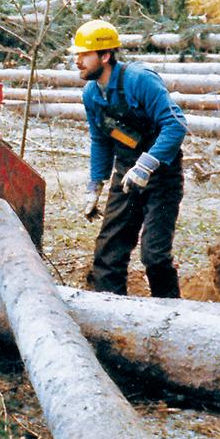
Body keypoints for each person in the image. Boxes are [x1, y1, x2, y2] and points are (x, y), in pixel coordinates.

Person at [74, 20, 187, 298]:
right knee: (107, 254)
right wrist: (95, 185)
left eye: (84, 55)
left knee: (154, 256)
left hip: (161, 175)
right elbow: (101, 139)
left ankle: (172, 316)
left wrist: (147, 165)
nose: (77, 61)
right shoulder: (91, 93)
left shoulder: (140, 80)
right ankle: (110, 317)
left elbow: (176, 125)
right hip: (125, 175)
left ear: (105, 56)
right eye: (76, 55)